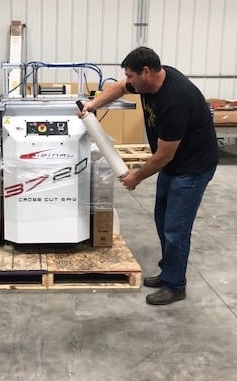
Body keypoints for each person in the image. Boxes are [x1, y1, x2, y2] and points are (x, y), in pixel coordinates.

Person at [81, 46, 218, 306]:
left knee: (176, 228)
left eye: (131, 75)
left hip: (192, 167)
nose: (128, 81)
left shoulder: (175, 99)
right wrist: (92, 105)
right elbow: (120, 88)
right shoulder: (147, 83)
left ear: (146, 72)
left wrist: (135, 177)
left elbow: (164, 155)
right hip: (174, 164)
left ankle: (175, 285)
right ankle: (170, 271)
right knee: (162, 219)